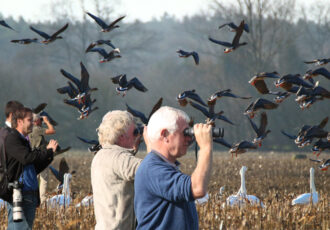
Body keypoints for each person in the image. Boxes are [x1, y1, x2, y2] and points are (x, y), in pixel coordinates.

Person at [134, 106, 213, 230]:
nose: (189, 138)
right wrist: (205, 147)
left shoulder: (161, 166)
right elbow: (197, 189)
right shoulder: (152, 169)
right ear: (165, 134)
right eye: (185, 133)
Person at [5, 107, 58, 230]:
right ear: (19, 121)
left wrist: (50, 155)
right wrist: (47, 151)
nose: (33, 123)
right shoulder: (13, 139)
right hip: (18, 195)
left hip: (30, 195)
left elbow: (32, 168)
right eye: (30, 120)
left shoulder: (24, 140)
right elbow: (27, 158)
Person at [91, 110, 143, 230]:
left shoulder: (101, 155)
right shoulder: (119, 158)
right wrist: (154, 144)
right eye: (135, 132)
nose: (137, 135)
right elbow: (151, 171)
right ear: (121, 136)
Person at [28, 113, 56, 204]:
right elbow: (52, 131)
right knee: (43, 179)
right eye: (40, 119)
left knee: (33, 178)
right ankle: (42, 201)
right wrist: (47, 121)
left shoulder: (28, 129)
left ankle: (32, 199)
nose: (42, 121)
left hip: (32, 157)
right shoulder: (37, 129)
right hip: (41, 157)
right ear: (36, 121)